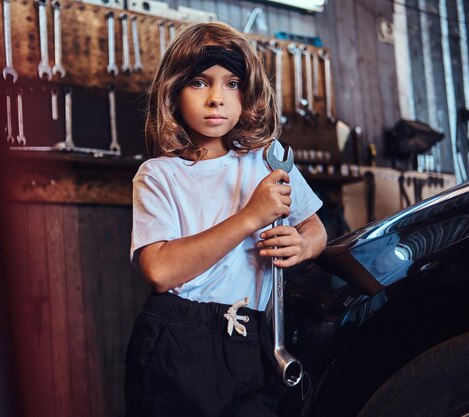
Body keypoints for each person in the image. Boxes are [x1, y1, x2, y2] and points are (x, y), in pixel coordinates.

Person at [125, 21, 327, 417]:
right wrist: (252, 216)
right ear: (173, 92)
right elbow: (161, 271)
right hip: (178, 342)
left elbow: (315, 228)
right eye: (200, 83)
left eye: (232, 83)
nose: (217, 98)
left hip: (255, 338)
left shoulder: (266, 159)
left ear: (248, 93)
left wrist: (302, 245)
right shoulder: (158, 175)